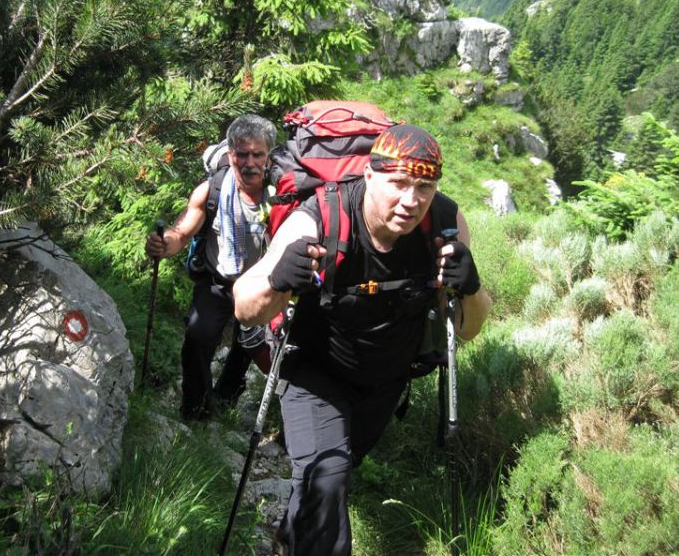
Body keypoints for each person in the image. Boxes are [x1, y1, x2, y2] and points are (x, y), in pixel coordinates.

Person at [233, 123, 492, 555]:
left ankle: (289, 535)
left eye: (424, 187)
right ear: (369, 176)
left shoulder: (446, 224)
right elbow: (244, 306)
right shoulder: (320, 217)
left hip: (385, 380)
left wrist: (472, 288)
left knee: (335, 473)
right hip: (314, 370)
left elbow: (469, 328)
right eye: (399, 184)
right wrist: (279, 279)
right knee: (327, 475)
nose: (412, 201)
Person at [145, 114, 277, 421]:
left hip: (261, 286)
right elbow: (182, 232)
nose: (249, 162)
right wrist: (165, 244)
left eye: (257, 154)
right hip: (218, 280)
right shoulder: (212, 189)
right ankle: (195, 411)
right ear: (230, 154)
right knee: (197, 338)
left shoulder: (280, 192)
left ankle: (228, 396)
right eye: (242, 154)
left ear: (268, 155)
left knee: (248, 346)